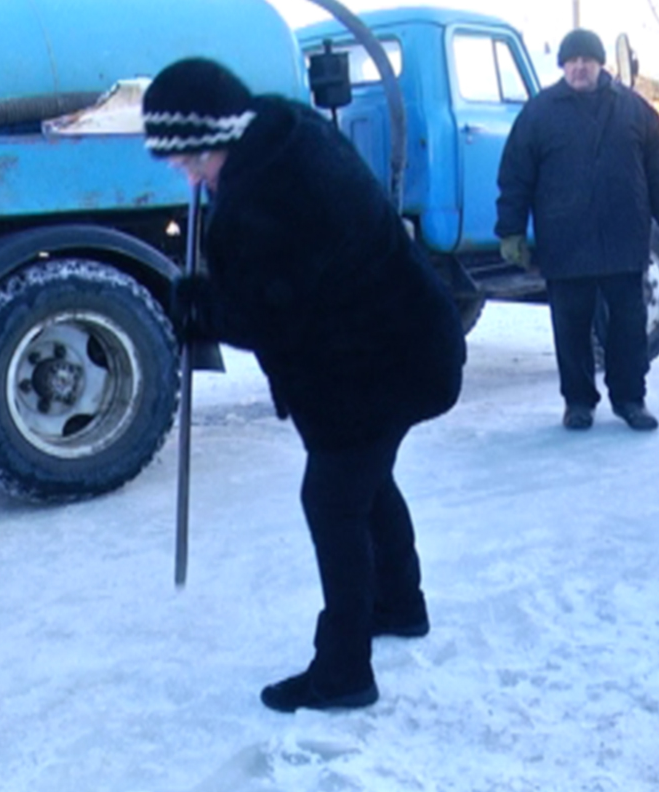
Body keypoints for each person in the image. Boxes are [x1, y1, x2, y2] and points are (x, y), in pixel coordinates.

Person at [142, 58, 466, 713]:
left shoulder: (266, 199)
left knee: (333, 500)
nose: (185, 175)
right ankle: (401, 604)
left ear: (215, 139)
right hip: (404, 343)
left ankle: (344, 672)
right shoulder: (284, 130)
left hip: (376, 365)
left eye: (186, 161)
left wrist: (202, 309)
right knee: (366, 483)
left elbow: (270, 315)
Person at [495, 28, 659, 432]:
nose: (580, 67)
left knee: (628, 326)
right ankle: (578, 403)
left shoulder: (635, 111)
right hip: (566, 241)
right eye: (572, 61)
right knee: (571, 328)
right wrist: (510, 231)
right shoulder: (539, 113)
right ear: (563, 66)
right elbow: (515, 176)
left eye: (587, 60)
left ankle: (631, 400)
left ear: (602, 64)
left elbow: (658, 169)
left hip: (623, 236)